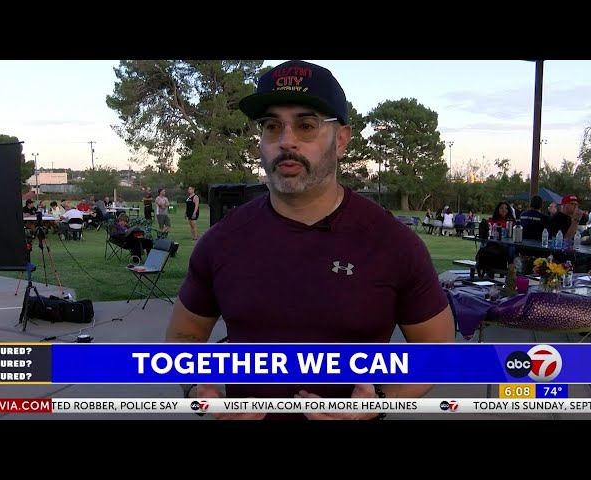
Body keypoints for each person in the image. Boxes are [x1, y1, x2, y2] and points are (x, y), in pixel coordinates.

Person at [164, 59, 455, 421]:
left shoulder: (393, 243)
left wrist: (383, 396)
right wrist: (198, 387)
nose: (286, 141)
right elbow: (183, 337)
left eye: (306, 126)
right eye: (272, 126)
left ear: (341, 139)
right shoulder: (222, 241)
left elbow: (439, 350)